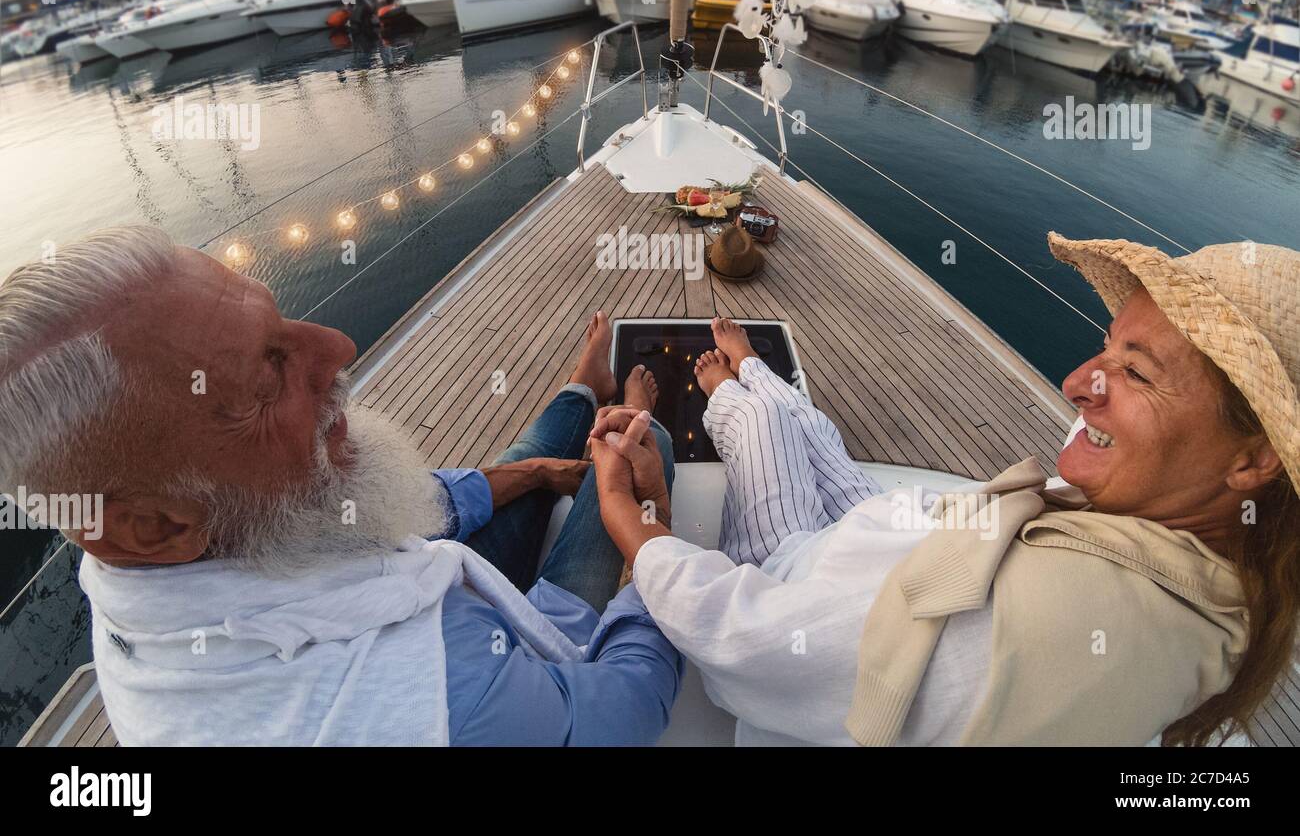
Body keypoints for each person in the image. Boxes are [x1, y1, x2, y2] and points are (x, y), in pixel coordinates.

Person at [591, 234, 1300, 746]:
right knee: (815, 432)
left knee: (766, 424)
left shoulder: (1027, 623)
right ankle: (756, 377)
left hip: (801, 561)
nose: (1079, 383)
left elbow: (747, 640)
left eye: (1136, 374)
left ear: (1255, 460)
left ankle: (737, 389)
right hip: (904, 538)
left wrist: (636, 521)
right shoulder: (1216, 586)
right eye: (1107, 346)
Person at [0, 226, 682, 746]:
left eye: (280, 322)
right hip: (483, 645)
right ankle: (601, 418)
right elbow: (616, 717)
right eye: (267, 375)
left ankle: (577, 392)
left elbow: (423, 504)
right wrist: (651, 534)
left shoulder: (153, 551)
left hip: (416, 584)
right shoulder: (432, 698)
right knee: (643, 446)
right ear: (154, 527)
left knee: (529, 462)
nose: (335, 347)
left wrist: (534, 477)